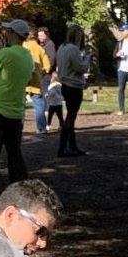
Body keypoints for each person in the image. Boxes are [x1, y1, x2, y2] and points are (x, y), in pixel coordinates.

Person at [0, 20, 40, 201]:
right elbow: (30, 79)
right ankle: (23, 194)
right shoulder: (27, 56)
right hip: (16, 112)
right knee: (15, 155)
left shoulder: (6, 53)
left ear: (13, 34)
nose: (4, 33)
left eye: (7, 30)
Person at [55, 24, 90, 158]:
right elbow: (81, 68)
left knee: (71, 115)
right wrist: (87, 59)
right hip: (74, 85)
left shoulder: (61, 48)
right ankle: (63, 147)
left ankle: (72, 146)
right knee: (71, 116)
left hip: (64, 84)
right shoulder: (73, 49)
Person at [25, 28, 53, 134]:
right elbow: (47, 66)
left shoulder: (21, 47)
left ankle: (18, 128)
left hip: (22, 81)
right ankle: (42, 128)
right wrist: (41, 74)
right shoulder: (40, 49)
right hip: (36, 81)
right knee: (39, 105)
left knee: (19, 106)